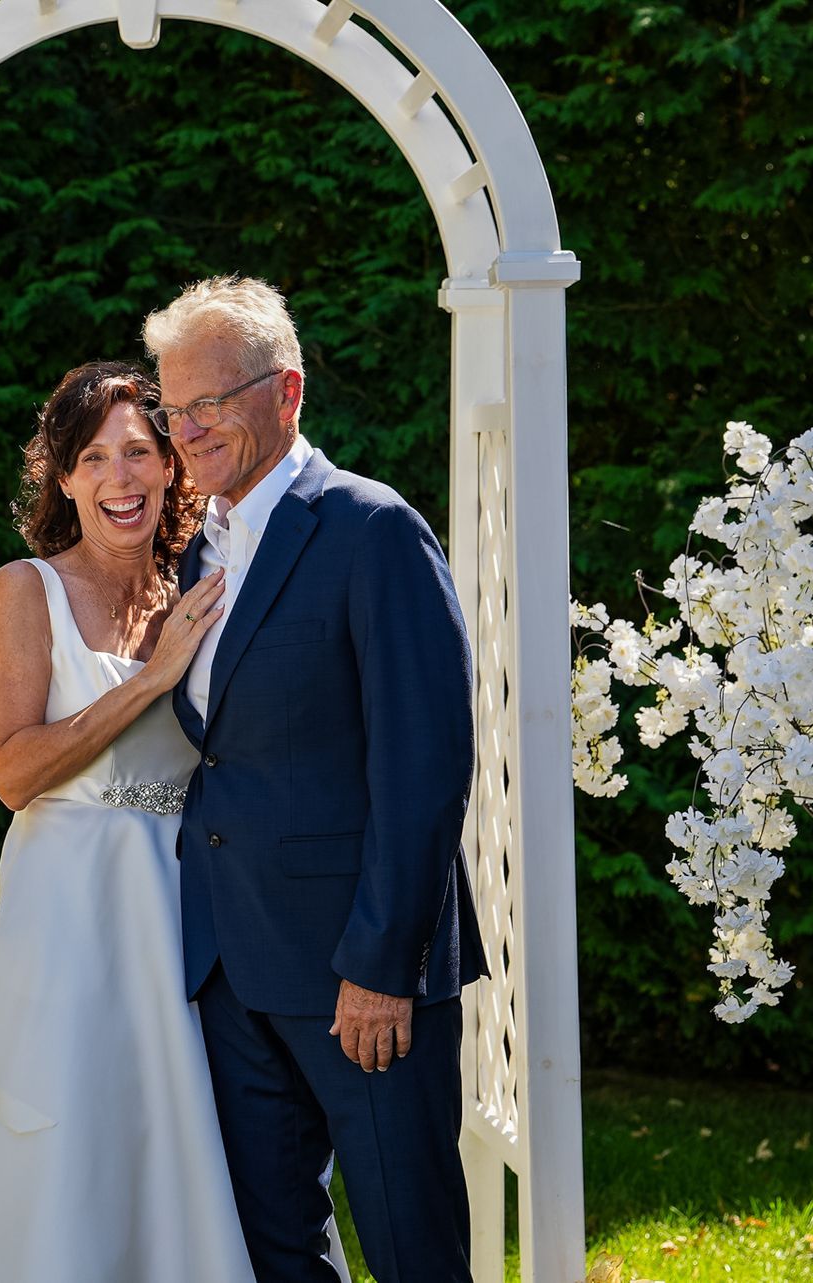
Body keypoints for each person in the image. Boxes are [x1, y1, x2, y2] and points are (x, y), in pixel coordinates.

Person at [143, 276, 486, 1283]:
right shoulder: (195, 548)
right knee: (278, 1246)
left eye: (210, 401)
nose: (188, 429)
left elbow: (425, 767)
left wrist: (384, 965)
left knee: (412, 1245)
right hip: (229, 968)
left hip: (356, 974)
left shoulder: (372, 529)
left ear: (285, 390)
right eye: (174, 408)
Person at [0, 360, 247, 1282]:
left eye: (138, 454)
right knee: (68, 1148)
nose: (120, 479)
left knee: (178, 1138)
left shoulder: (204, 589)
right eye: (94, 458)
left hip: (178, 905)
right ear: (65, 478)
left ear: (171, 468)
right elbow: (13, 771)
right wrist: (154, 679)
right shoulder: (25, 590)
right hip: (66, 912)